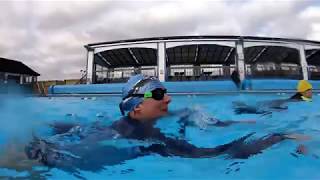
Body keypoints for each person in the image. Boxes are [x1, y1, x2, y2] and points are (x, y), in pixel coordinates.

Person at [24, 74, 309, 174]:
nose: (169, 98)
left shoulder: (158, 138)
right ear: (135, 108)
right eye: (159, 94)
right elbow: (60, 157)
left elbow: (214, 152)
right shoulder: (116, 137)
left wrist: (279, 136)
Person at [233, 80, 313, 115]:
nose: (311, 92)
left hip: (274, 105)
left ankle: (243, 107)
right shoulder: (297, 100)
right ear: (304, 91)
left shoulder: (298, 100)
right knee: (259, 108)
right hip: (274, 105)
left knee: (259, 107)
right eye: (310, 90)